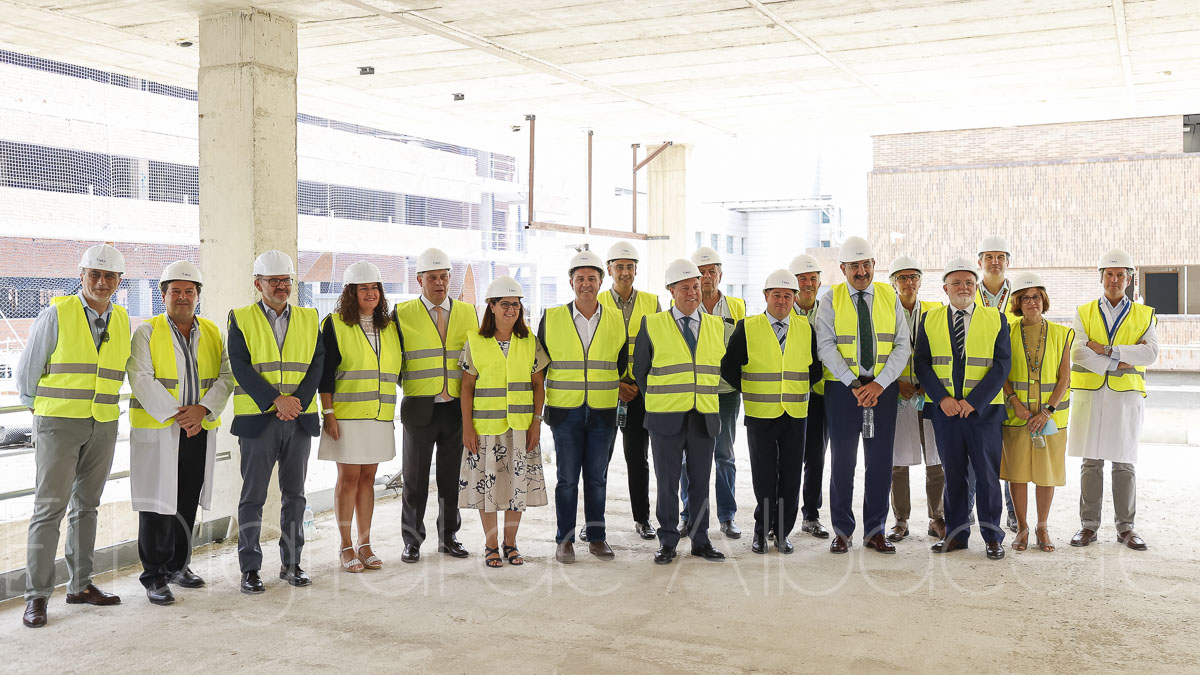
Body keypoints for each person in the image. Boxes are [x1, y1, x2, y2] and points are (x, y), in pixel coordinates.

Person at [18, 244, 131, 628]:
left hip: (103, 423)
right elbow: (27, 373)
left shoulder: (123, 319)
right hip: (58, 423)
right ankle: (36, 596)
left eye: (109, 277)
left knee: (87, 506)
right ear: (81, 275)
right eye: (94, 275)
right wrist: (43, 415)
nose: (101, 282)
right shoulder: (57, 313)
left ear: (119, 281)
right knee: (48, 509)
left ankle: (80, 585)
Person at [128, 261, 234, 606]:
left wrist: (201, 411)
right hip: (161, 431)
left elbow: (226, 377)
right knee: (158, 505)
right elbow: (142, 378)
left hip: (197, 430)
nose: (184, 297)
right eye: (176, 291)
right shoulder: (146, 332)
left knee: (187, 499)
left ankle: (179, 565)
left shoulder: (213, 333)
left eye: (190, 291)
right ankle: (154, 576)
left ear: (198, 296)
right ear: (163, 295)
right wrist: (180, 415)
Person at [227, 250, 324, 594]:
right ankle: (250, 569)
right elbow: (240, 367)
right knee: (252, 497)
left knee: (295, 496)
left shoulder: (311, 318)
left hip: (298, 420)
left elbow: (316, 365)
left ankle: (292, 563)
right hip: (259, 421)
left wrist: (294, 403)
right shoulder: (240, 318)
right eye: (274, 281)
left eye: (286, 280)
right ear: (259, 284)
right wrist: (275, 401)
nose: (282, 287)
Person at [814, 236, 911, 555]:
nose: (861, 271)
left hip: (881, 392)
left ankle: (875, 531)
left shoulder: (888, 295)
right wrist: (854, 384)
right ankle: (842, 531)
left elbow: (902, 345)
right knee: (842, 462)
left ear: (874, 265)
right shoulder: (831, 298)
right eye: (854, 266)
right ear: (842, 268)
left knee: (880, 463)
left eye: (866, 264)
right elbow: (825, 346)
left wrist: (879, 384)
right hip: (844, 393)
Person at [915, 257, 1011, 561]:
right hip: (946, 414)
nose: (964, 287)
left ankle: (993, 537)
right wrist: (943, 399)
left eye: (969, 282)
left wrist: (974, 401)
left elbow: (1001, 365)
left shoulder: (995, 318)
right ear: (945, 288)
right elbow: (922, 364)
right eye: (957, 282)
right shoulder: (929, 320)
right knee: (953, 475)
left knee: (986, 477)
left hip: (983, 414)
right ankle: (956, 536)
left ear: (976, 287)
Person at [634, 258, 727, 564]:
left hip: (703, 416)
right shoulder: (653, 323)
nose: (692, 292)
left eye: (696, 286)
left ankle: (700, 540)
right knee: (667, 483)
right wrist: (660, 402)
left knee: (701, 482)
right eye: (685, 287)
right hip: (665, 419)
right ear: (670, 290)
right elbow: (641, 371)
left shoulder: (716, 326)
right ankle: (668, 541)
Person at [720, 270, 820, 554]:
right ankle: (761, 531)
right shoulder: (748, 327)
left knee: (791, 475)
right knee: (764, 477)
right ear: (765, 296)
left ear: (795, 299)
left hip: (795, 413)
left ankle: (783, 533)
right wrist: (750, 390)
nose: (782, 300)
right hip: (760, 412)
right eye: (776, 294)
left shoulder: (805, 328)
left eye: (788, 295)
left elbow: (815, 370)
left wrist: (794, 388)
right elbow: (728, 367)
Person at [539, 251, 627, 563]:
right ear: (571, 282)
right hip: (566, 412)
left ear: (602, 282)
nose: (586, 284)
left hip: (603, 410)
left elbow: (620, 362)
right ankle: (564, 540)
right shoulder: (552, 317)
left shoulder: (617, 319)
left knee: (597, 477)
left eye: (592, 278)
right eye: (580, 279)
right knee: (566, 479)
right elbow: (539, 365)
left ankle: (597, 537)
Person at [1068, 248, 1158, 551]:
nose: (1115, 280)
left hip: (1125, 398)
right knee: (1090, 462)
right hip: (1091, 395)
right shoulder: (1084, 311)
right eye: (1109, 274)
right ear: (1101, 278)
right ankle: (1088, 526)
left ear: (1130, 279)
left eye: (1121, 275)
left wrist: (1106, 350)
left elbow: (1151, 353)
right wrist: (1122, 357)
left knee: (1124, 462)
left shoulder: (1145, 315)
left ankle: (1125, 529)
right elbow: (1078, 350)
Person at [393, 248, 479, 563]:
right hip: (419, 409)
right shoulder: (402, 314)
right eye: (432, 278)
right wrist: (416, 387)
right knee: (414, 480)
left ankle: (449, 537)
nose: (439, 283)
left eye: (444, 277)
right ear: (420, 280)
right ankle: (412, 541)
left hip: (456, 408)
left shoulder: (469, 312)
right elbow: (393, 360)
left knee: (451, 478)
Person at [458, 276, 549, 568]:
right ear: (492, 306)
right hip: (485, 430)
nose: (512, 310)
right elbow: (467, 388)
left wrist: (536, 422)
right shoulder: (475, 341)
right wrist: (467, 428)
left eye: (516, 304)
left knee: (516, 488)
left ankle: (511, 544)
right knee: (488, 488)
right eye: (506, 304)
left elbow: (538, 386)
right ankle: (490, 546)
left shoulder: (530, 341)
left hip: (520, 428)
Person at [318, 261, 399, 572]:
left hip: (378, 416)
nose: (370, 293)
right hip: (347, 415)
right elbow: (325, 375)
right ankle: (345, 545)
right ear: (350, 293)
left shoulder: (389, 327)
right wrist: (329, 413)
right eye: (363, 288)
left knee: (368, 479)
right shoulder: (335, 324)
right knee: (348, 479)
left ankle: (365, 543)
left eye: (375, 287)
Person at [999, 272, 1072, 553]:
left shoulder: (1061, 333)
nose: (1033, 302)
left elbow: (1064, 378)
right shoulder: (1006, 331)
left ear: (1044, 299)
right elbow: (1001, 371)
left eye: (1037, 297)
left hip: (1050, 420)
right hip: (1016, 415)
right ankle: (1023, 528)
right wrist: (1014, 400)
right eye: (1027, 298)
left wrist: (1047, 412)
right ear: (1017, 302)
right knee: (1017, 473)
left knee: (1046, 474)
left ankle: (1042, 527)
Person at [678, 246, 745, 539]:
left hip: (726, 393)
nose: (707, 277)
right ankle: (688, 514)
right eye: (701, 273)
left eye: (712, 271)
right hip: (692, 394)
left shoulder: (737, 308)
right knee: (687, 457)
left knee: (725, 455)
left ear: (720, 274)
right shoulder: (684, 308)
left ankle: (727, 516)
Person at [596, 240, 660, 541]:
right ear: (609, 270)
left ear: (636, 270)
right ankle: (594, 523)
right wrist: (616, 384)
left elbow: (660, 346)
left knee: (638, 459)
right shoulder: (596, 302)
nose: (625, 272)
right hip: (607, 393)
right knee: (599, 461)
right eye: (619, 266)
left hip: (640, 392)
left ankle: (643, 519)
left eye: (629, 267)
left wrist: (637, 384)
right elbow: (594, 351)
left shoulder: (651, 301)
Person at [885, 256, 946, 542]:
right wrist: (896, 382)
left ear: (921, 282)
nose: (909, 283)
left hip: (928, 394)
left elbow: (943, 352)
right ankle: (901, 520)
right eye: (902, 278)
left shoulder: (936, 311)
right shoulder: (884, 312)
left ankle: (937, 517)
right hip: (898, 393)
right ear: (893, 283)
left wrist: (930, 387)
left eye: (913, 277)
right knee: (898, 461)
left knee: (936, 458)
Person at [973, 235, 1019, 532]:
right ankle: (968, 516)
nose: (994, 262)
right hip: (979, 386)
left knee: (1012, 455)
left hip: (1015, 383)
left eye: (1000, 257)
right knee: (977, 456)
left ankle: (1015, 515)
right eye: (988, 257)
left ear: (1008, 262)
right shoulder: (966, 293)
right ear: (980, 262)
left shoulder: (1021, 296)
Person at [789, 253, 830, 539]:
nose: (807, 283)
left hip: (820, 394)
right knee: (785, 458)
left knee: (815, 457)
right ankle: (780, 515)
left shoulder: (828, 311)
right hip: (788, 394)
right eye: (802, 279)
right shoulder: (779, 310)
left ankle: (811, 515)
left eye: (812, 278)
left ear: (819, 282)